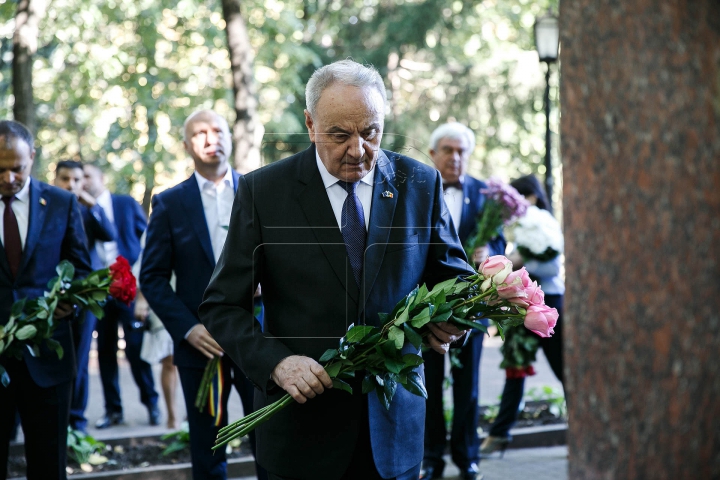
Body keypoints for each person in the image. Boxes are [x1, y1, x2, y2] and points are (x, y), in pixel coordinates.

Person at [198, 59, 473, 480]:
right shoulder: (263, 192)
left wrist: (456, 320)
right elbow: (222, 305)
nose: (358, 149)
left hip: (395, 433)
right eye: (340, 135)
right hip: (300, 436)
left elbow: (455, 278)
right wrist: (276, 363)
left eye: (371, 132)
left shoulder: (421, 182)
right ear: (310, 124)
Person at [140, 110, 266, 480]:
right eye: (201, 133)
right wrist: (187, 329)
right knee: (208, 447)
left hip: (256, 337)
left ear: (230, 136)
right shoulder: (169, 203)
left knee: (269, 436)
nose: (212, 138)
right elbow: (153, 278)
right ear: (186, 145)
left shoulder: (258, 190)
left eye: (218, 130)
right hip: (200, 343)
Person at [0, 120, 91, 479]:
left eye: (17, 168)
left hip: (49, 358)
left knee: (49, 464)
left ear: (32, 158)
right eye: (0, 169)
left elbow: (81, 268)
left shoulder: (61, 202)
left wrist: (73, 299)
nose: (8, 177)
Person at [420, 123, 507, 480]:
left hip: (473, 309)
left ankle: (467, 457)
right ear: (433, 154)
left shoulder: (484, 195)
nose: (455, 158)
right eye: (448, 150)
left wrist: (490, 253)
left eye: (461, 152)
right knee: (429, 386)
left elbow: (502, 245)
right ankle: (431, 458)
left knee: (468, 388)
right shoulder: (420, 190)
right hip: (428, 309)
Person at [479, 174, 565, 455]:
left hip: (549, 301)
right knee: (515, 369)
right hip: (523, 301)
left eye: (517, 198)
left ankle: (583, 431)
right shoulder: (522, 226)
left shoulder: (541, 222)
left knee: (562, 368)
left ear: (530, 197)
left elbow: (551, 268)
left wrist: (521, 260)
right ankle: (500, 434)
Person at [82, 163, 159, 428]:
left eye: (88, 175)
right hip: (99, 291)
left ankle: (152, 404)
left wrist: (143, 288)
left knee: (136, 350)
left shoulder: (125, 203)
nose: (83, 181)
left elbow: (149, 240)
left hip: (128, 288)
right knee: (105, 351)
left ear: (101, 177)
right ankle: (113, 410)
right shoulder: (81, 210)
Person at [53, 159, 117, 432]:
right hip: (50, 295)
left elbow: (110, 234)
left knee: (80, 360)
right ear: (56, 179)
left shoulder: (88, 210)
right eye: (65, 179)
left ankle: (76, 421)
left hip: (85, 295)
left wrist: (93, 205)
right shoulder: (47, 206)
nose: (71, 185)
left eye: (77, 180)